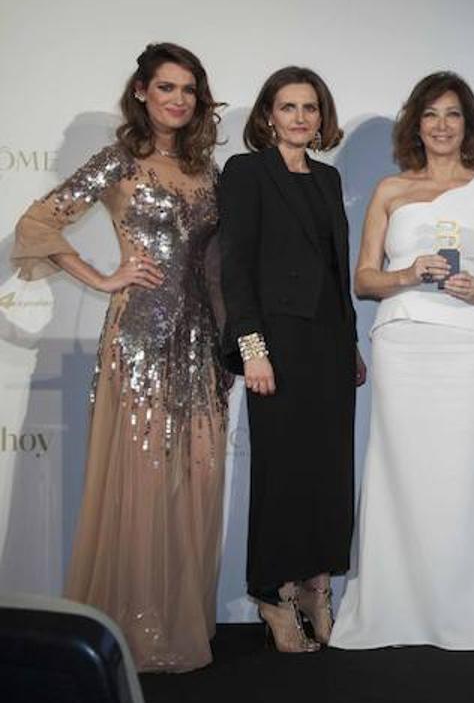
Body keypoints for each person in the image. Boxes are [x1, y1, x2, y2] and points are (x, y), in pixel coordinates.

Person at [11, 42, 229, 671]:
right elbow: (37, 224)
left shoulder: (207, 171)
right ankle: (135, 629)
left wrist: (227, 342)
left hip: (198, 343)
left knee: (197, 479)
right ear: (142, 93)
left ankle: (177, 619)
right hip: (138, 338)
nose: (178, 100)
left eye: (189, 90)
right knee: (145, 480)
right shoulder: (118, 162)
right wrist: (103, 276)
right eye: (167, 88)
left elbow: (214, 266)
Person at [330, 72, 474, 651]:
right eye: (431, 114)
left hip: (467, 345)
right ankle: (393, 611)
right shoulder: (389, 190)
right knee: (399, 471)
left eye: (453, 114)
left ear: (469, 125)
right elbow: (363, 278)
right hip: (404, 339)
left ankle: (463, 614)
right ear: (416, 124)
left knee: (463, 476)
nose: (442, 125)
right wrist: (408, 274)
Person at [218, 67, 364, 652]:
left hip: (329, 344)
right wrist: (253, 349)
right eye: (288, 107)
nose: (300, 117)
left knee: (329, 471)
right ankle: (273, 596)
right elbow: (236, 266)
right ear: (267, 115)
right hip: (276, 343)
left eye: (310, 107)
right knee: (281, 473)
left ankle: (318, 588)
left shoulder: (327, 179)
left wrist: (350, 341)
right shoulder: (247, 171)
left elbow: (334, 271)